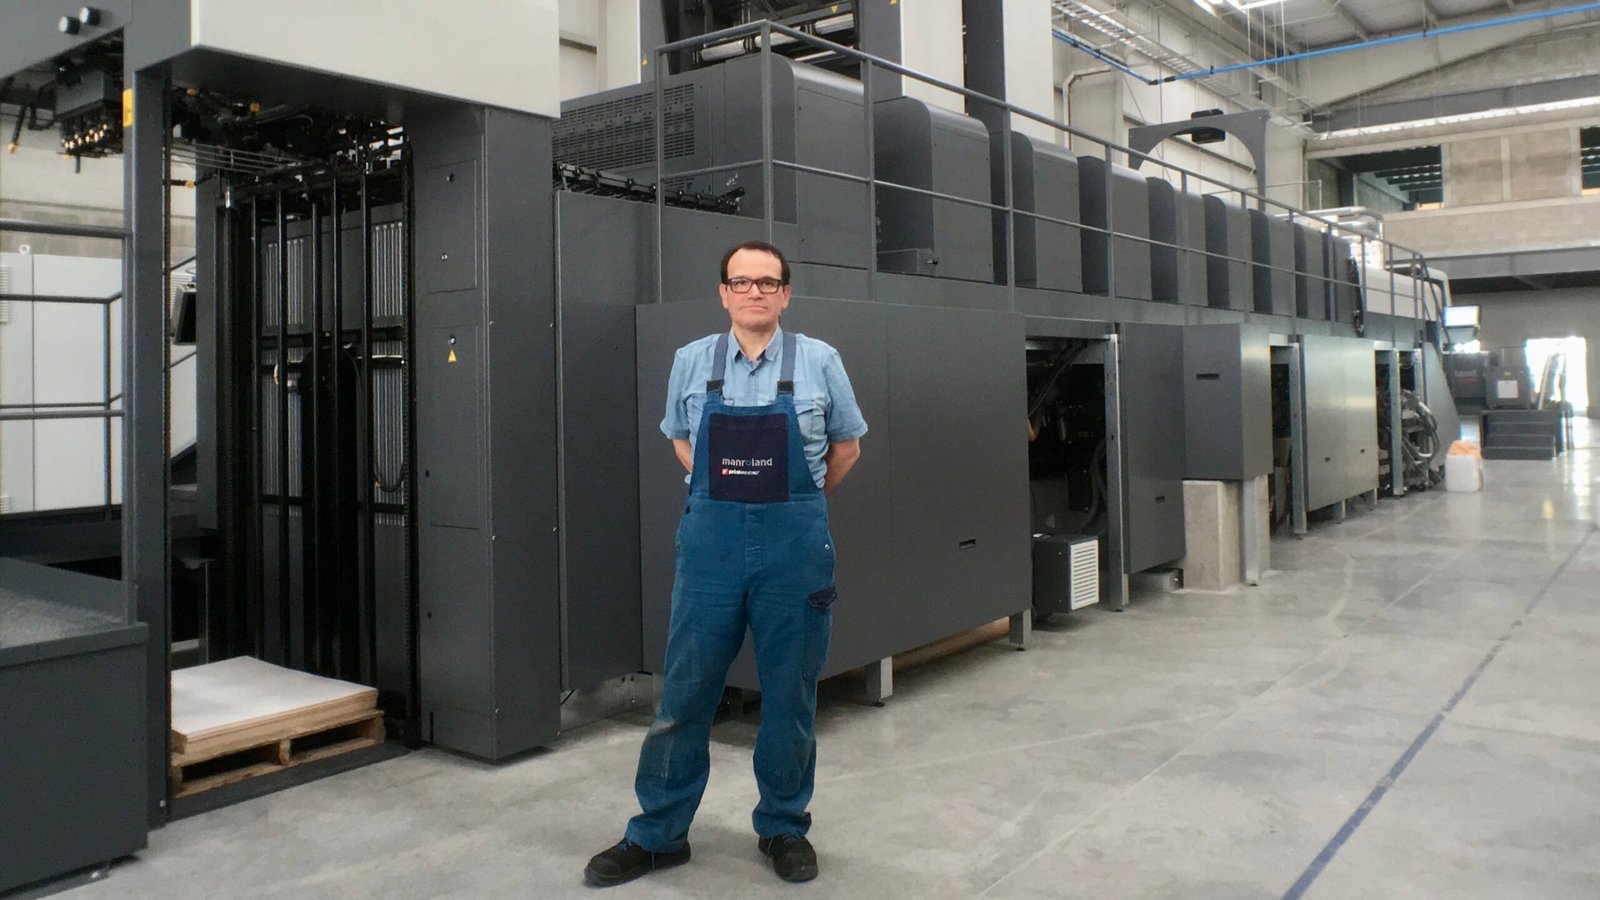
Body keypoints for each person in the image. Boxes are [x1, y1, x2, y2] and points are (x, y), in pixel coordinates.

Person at [585, 239, 867, 887]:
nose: (754, 292)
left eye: (767, 282)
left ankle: (784, 826)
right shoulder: (691, 361)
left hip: (794, 555)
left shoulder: (820, 360)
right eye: (742, 282)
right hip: (710, 553)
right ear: (723, 293)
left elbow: (846, 448)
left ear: (785, 294)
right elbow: (681, 441)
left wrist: (796, 500)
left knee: (790, 698)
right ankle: (658, 833)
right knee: (684, 695)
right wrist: (729, 492)